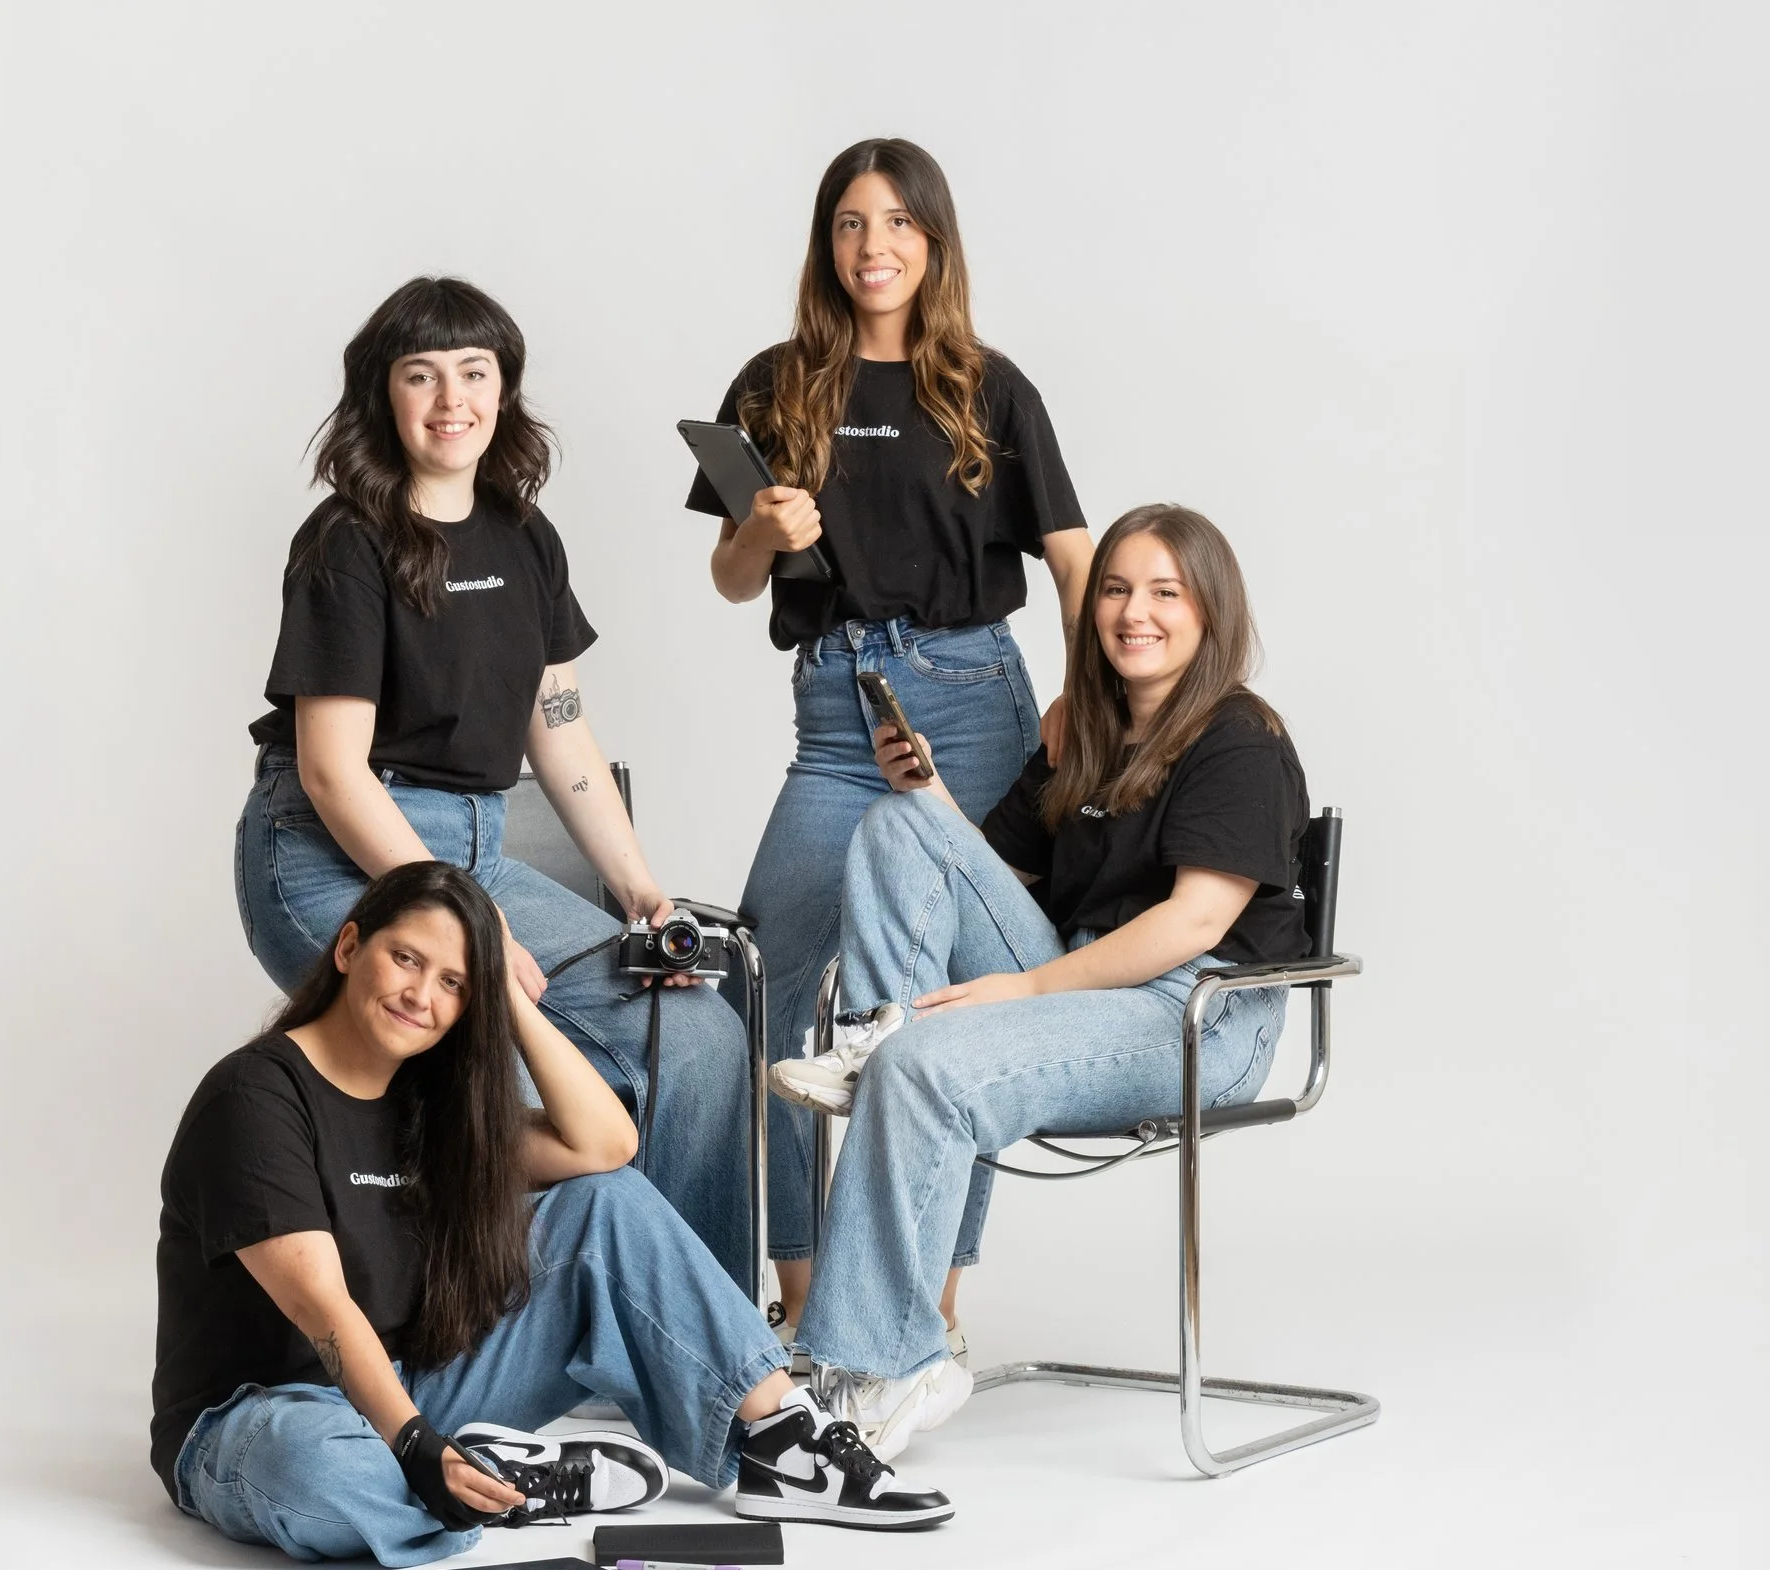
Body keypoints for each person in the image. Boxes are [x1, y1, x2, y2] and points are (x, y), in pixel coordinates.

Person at [155, 862, 953, 1565]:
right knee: (320, 1474)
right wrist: (416, 1444)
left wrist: (510, 996)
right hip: (261, 1416)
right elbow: (318, 1303)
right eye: (406, 958)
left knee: (605, 1206)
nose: (420, 996)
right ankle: (497, 1486)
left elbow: (605, 1145)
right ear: (348, 947)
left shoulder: (427, 1103)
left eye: (452, 983)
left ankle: (783, 1442)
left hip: (414, 1387)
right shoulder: (256, 1095)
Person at [237, 275, 759, 1290]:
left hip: (477, 851)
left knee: (692, 1021)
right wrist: (472, 925)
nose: (450, 400)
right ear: (381, 397)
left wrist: (640, 887)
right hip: (333, 856)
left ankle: (712, 1323)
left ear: (504, 389)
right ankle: (503, 1323)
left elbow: (559, 732)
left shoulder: (524, 535)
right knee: (489, 1051)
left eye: (474, 373)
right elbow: (334, 774)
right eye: (421, 375)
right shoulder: (346, 544)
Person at [766, 505, 1307, 1460]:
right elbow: (975, 875)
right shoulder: (1082, 733)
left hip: (1195, 1014)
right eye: (1114, 588)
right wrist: (925, 790)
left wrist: (1026, 991)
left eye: (1164, 593)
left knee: (927, 1066)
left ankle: (885, 1362)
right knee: (897, 825)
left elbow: (1193, 922)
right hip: (1080, 974)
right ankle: (880, 1029)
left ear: (1211, 613)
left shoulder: (1239, 738)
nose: (1133, 612)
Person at [685, 137, 1096, 1355]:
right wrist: (761, 529)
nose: (874, 247)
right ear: (827, 244)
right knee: (752, 995)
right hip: (833, 706)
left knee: (944, 1015)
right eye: (852, 224)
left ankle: (930, 1306)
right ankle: (807, 1296)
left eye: (898, 224)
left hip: (972, 702)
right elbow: (727, 580)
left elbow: (1074, 559)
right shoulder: (772, 382)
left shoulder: (988, 384)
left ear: (934, 241)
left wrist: (1081, 714)